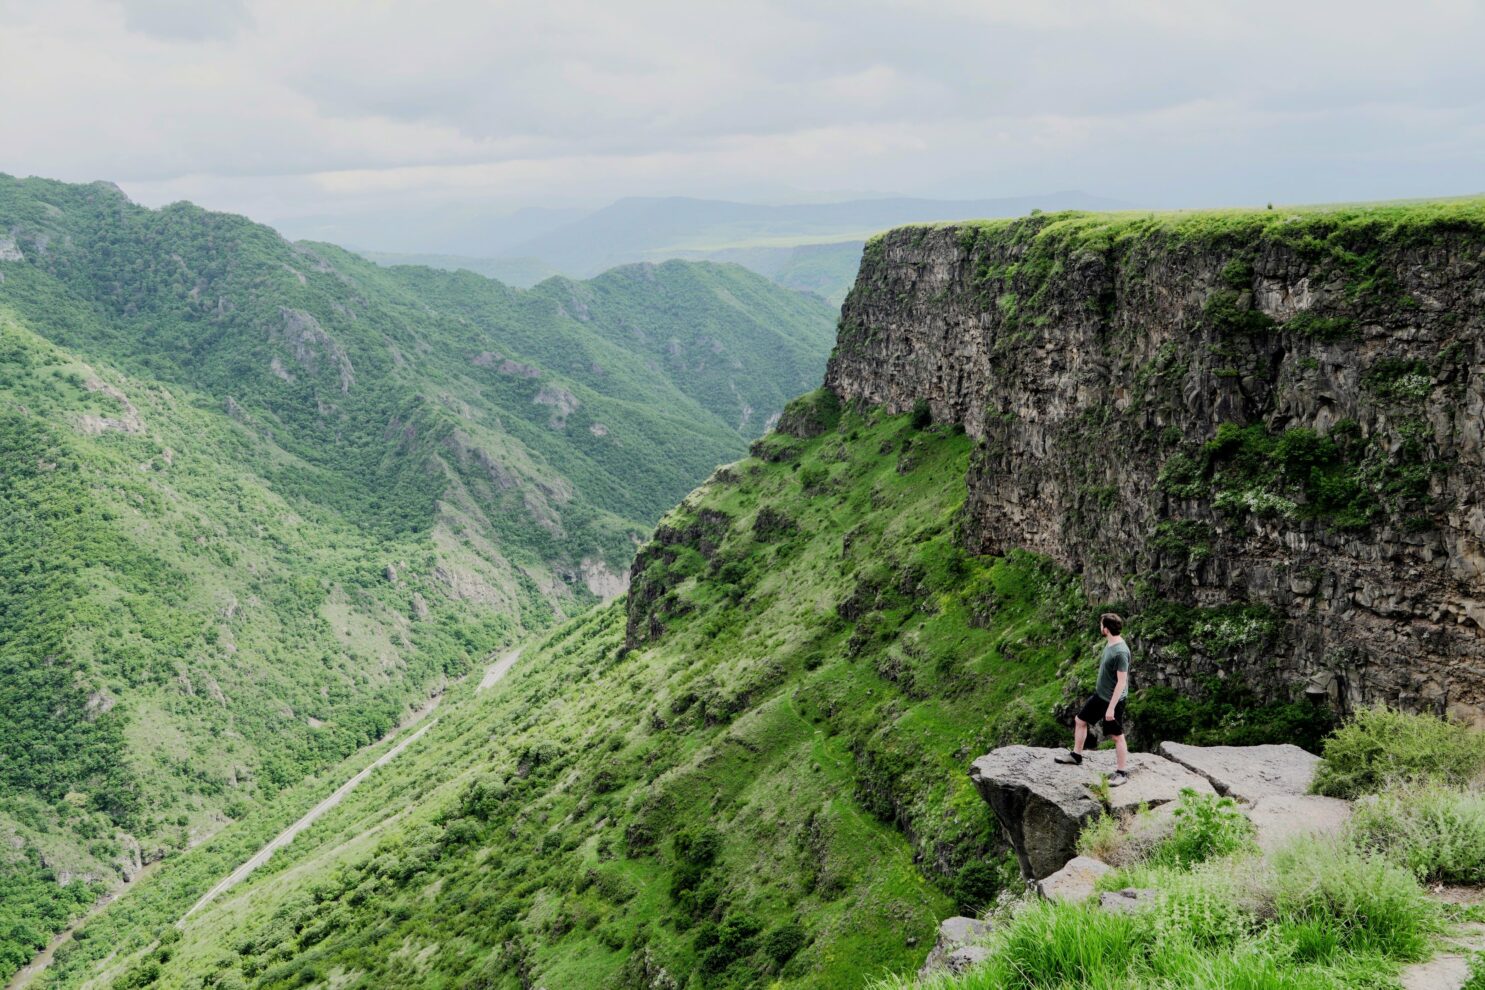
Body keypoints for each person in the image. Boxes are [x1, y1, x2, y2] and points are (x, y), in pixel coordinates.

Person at [1055, 613, 1131, 786]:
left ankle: (1121, 773)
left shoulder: (1120, 652)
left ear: (1106, 629)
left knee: (1117, 736)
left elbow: (1121, 682)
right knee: (1080, 720)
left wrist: (1111, 709)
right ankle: (1076, 755)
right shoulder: (1111, 643)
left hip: (1113, 700)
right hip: (1100, 696)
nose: (1099, 627)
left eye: (1101, 624)